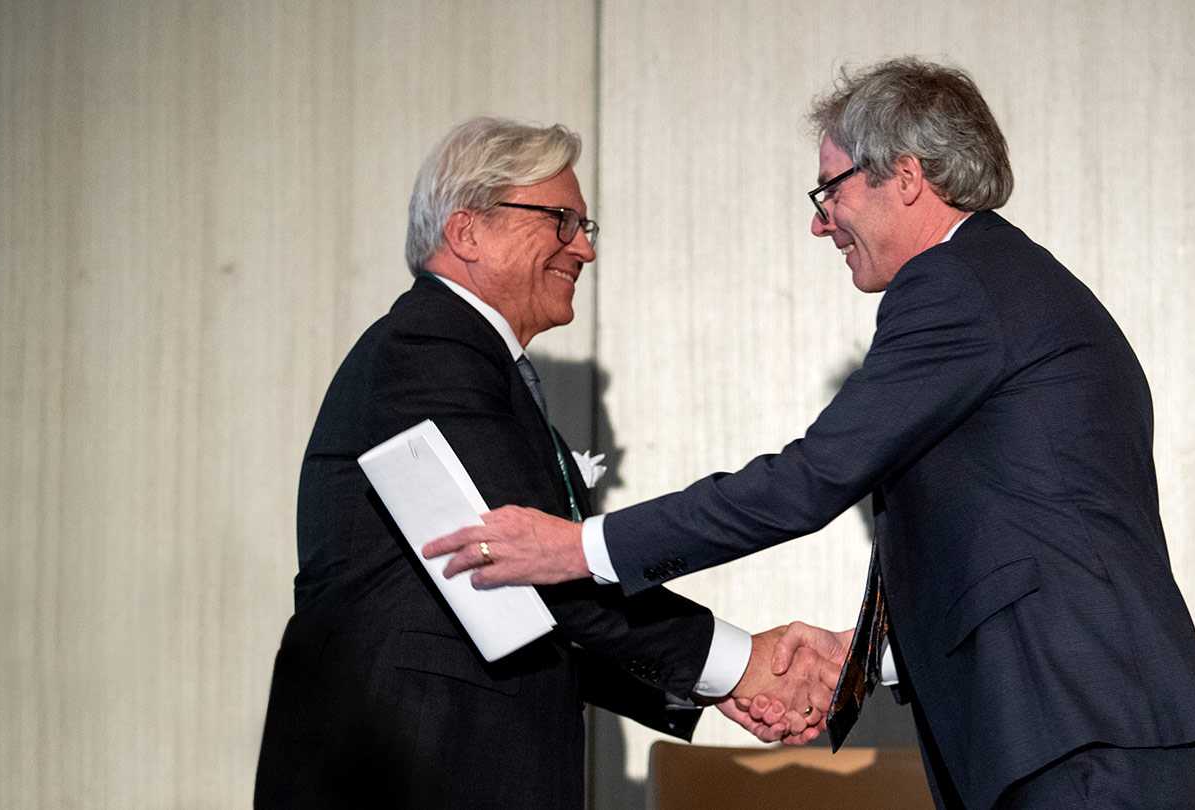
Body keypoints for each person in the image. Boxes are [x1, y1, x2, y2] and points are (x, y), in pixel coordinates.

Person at [427, 59, 1195, 809]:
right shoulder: (1003, 284)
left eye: (831, 190)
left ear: (906, 176)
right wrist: (862, 658)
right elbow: (1014, 547)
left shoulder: (956, 284)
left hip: (1080, 730)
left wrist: (580, 548)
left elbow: (808, 481)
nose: (822, 224)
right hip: (1088, 726)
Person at [254, 117, 833, 810]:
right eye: (561, 221)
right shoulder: (431, 344)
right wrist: (736, 664)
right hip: (405, 768)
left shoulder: (471, 362)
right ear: (467, 231)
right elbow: (532, 568)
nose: (584, 247)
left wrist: (707, 686)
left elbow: (518, 605)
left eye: (585, 226)